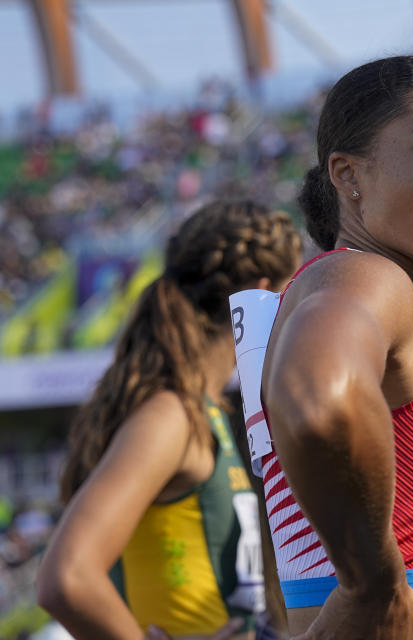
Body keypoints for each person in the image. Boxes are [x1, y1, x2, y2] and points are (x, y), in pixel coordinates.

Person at [253, 55, 413, 639]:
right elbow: (318, 401)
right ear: (348, 176)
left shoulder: (386, 305)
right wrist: (376, 585)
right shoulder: (369, 278)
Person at [36, 200, 303, 639]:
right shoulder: (170, 416)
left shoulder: (207, 409)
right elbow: (67, 577)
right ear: (260, 292)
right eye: (289, 291)